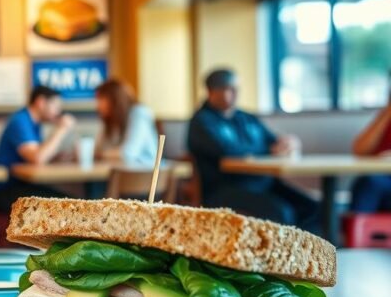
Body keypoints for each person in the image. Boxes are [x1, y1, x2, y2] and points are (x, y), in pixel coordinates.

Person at [187, 68, 321, 232]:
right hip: (224, 188)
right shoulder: (201, 122)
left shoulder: (246, 118)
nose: (235, 93)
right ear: (211, 91)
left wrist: (288, 143)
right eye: (229, 88)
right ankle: (278, 254)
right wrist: (268, 150)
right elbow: (227, 151)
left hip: (265, 184)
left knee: (314, 208)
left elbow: (274, 141)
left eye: (236, 88)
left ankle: (305, 253)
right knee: (282, 212)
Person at [0, 86, 76, 212]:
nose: (58, 111)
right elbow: (37, 158)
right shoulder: (20, 121)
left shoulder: (34, 124)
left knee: (69, 202)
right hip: (4, 191)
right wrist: (62, 129)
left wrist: (55, 157)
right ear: (40, 102)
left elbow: (35, 155)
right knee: (69, 206)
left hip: (21, 187)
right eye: (56, 106)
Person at [94, 78, 159, 166]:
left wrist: (101, 154)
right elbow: (99, 148)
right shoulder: (111, 120)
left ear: (115, 99)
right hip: (119, 171)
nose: (97, 104)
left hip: (145, 173)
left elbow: (128, 153)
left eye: (101, 99)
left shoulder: (139, 113)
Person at [349, 92, 391, 211]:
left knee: (371, 183)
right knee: (368, 182)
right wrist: (387, 113)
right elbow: (360, 150)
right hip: (382, 178)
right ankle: (357, 228)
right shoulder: (385, 116)